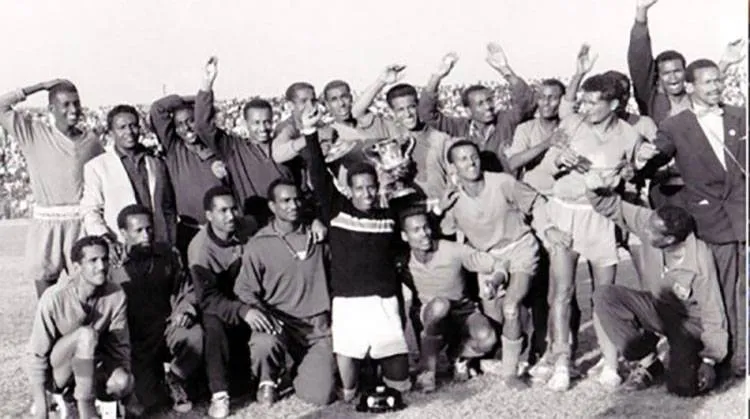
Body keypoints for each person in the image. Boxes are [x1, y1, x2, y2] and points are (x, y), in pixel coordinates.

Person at [533, 64, 643, 391]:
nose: (588, 107)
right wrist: (559, 160)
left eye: (595, 102)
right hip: (564, 213)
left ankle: (610, 364)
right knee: (562, 292)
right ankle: (562, 363)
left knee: (603, 295)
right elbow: (544, 171)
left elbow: (631, 175)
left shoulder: (629, 135)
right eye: (585, 100)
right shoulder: (572, 124)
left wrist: (628, 174)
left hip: (601, 217)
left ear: (614, 104)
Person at [634, 59, 746, 377]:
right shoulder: (675, 125)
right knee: (722, 291)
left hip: (744, 212)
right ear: (690, 86)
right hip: (712, 220)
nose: (715, 87)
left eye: (718, 80)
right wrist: (643, 157)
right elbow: (657, 156)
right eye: (708, 82)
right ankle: (727, 360)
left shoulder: (740, 115)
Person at [434, 140, 567, 389]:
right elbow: (443, 232)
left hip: (520, 248)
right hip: (489, 261)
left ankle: (510, 374)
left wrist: (547, 228)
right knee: (493, 329)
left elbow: (536, 201)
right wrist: (440, 209)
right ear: (453, 168)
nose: (471, 162)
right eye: (463, 159)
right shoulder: (452, 199)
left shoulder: (502, 182)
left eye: (473, 156)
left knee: (511, 307)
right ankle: (462, 356)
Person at [302, 105, 412, 402]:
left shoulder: (389, 215)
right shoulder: (337, 210)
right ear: (348, 190)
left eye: (371, 187)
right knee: (350, 391)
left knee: (401, 386)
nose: (366, 194)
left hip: (383, 300)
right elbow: (318, 173)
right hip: (349, 301)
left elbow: (399, 253)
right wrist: (310, 133)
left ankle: (377, 369)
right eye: (359, 188)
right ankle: (353, 380)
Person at [584, 172, 728, 396]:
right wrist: (595, 188)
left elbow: (713, 311)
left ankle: (685, 359)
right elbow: (609, 206)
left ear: (669, 239)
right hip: (657, 307)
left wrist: (710, 359)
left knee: (684, 387)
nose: (644, 230)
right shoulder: (651, 221)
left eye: (651, 232)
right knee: (605, 296)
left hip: (688, 324)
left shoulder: (700, 260)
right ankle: (648, 361)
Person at [627, 0, 746, 208]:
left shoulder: (695, 99)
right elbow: (639, 60)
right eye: (666, 73)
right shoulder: (653, 100)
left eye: (677, 71)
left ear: (685, 73)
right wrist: (641, 14)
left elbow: (705, 85)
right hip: (666, 189)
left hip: (702, 187)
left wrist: (725, 62)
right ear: (658, 77)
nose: (673, 77)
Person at [233, 179, 336, 407]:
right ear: (272, 206)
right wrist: (261, 313)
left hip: (316, 328)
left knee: (321, 395)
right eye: (285, 201)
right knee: (264, 342)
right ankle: (267, 378)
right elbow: (244, 289)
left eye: (297, 199)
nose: (293, 205)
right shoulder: (258, 245)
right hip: (280, 324)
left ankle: (297, 369)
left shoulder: (318, 237)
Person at [0, 80, 104, 297]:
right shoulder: (33, 133)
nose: (73, 109)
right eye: (65, 104)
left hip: (80, 224)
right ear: (51, 109)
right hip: (46, 225)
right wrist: (40, 86)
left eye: (76, 103)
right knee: (46, 299)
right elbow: (2, 105)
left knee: (89, 295)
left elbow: (103, 177)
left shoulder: (91, 141)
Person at [109, 205, 203, 414]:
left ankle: (176, 376)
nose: (146, 235)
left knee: (195, 336)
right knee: (149, 403)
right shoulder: (112, 265)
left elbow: (185, 288)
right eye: (138, 230)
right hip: (136, 340)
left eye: (149, 228)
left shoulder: (168, 254)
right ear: (123, 233)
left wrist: (185, 310)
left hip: (168, 327)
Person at [28, 236, 134, 419]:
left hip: (91, 367)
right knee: (86, 335)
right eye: (93, 260)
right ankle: (86, 408)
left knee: (123, 381)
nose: (101, 266)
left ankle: (78, 398)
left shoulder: (116, 295)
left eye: (104, 259)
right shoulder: (54, 297)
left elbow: (120, 347)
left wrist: (127, 394)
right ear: (77, 267)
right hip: (60, 373)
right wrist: (41, 408)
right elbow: (36, 355)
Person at [399, 209, 501, 392]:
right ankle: (427, 371)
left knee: (488, 339)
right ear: (404, 236)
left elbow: (492, 263)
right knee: (440, 306)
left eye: (426, 227)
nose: (424, 234)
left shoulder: (452, 250)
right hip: (432, 313)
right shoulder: (403, 261)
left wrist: (496, 279)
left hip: (463, 311)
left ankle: (459, 356)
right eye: (416, 230)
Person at [195, 57, 297, 224]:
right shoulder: (234, 148)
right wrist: (206, 85)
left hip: (287, 224)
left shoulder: (283, 147)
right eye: (256, 123)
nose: (262, 128)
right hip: (252, 227)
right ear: (245, 124)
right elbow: (203, 126)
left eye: (267, 122)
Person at [187, 187, 259, 418]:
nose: (231, 216)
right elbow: (208, 299)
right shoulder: (200, 250)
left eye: (234, 208)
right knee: (213, 324)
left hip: (249, 296)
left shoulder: (249, 226)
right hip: (221, 305)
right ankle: (219, 394)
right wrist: (242, 311)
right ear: (209, 215)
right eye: (223, 211)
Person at [418, 44, 536, 173]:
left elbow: (527, 103)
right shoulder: (459, 127)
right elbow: (427, 114)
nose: (488, 107)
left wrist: (505, 69)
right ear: (468, 111)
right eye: (480, 104)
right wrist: (436, 78)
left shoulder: (505, 121)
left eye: (489, 100)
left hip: (505, 182)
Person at [351, 65, 455, 200]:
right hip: (402, 206)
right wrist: (381, 81)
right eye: (400, 110)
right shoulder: (389, 130)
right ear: (392, 112)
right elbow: (357, 112)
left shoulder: (440, 138)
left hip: (437, 205)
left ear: (418, 106)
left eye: (411, 107)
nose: (408, 114)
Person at [149, 86, 228, 259]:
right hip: (190, 231)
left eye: (191, 121)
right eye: (179, 125)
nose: (186, 128)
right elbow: (157, 109)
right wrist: (192, 99)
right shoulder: (174, 150)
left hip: (223, 230)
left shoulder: (219, 146)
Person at [81, 105, 176, 246]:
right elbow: (91, 210)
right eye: (122, 127)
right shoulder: (97, 167)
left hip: (157, 242)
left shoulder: (155, 163)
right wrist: (105, 239)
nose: (129, 132)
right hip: (121, 243)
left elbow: (168, 207)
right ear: (111, 133)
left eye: (133, 126)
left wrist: (170, 239)